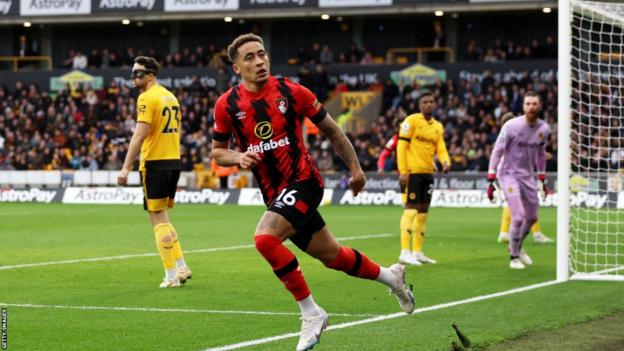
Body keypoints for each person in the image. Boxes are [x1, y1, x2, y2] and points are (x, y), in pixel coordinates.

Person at [211, 34, 415, 351]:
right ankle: (392, 277)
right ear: (237, 67)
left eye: (262, 54)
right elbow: (217, 152)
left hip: (305, 181)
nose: (259, 61)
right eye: (249, 57)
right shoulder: (227, 105)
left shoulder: (291, 91)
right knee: (333, 256)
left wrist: (356, 169)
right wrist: (237, 157)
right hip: (275, 194)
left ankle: (312, 313)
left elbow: (332, 129)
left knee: (265, 238)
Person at [117, 56, 192, 288]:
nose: (134, 77)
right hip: (173, 161)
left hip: (155, 163)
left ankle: (170, 276)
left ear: (151, 75)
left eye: (139, 73)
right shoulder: (170, 96)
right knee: (164, 218)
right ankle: (181, 266)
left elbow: (140, 134)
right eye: (133, 73)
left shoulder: (146, 98)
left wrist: (126, 166)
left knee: (157, 220)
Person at [487, 92, 551, 269]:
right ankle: (514, 256)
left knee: (531, 218)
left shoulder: (543, 129)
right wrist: (491, 177)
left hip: (527, 176)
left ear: (540, 106)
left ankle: (517, 246)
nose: (531, 107)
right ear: (523, 107)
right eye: (528, 104)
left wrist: (542, 179)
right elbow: (497, 151)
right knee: (519, 217)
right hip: (507, 175)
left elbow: (540, 154)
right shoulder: (511, 126)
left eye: (534, 104)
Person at [396, 93, 450, 266]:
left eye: (431, 101)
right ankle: (404, 252)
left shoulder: (437, 126)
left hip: (428, 173)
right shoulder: (410, 121)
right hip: (412, 172)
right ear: (419, 105)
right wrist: (403, 171)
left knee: (423, 213)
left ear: (435, 104)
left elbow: (440, 147)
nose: (428, 104)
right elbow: (401, 146)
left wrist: (445, 161)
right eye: (425, 102)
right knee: (411, 210)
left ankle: (417, 252)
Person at [495, 112, 553, 244]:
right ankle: (536, 235)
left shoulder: (506, 136)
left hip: (507, 172)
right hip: (511, 173)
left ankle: (504, 233)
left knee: (515, 202)